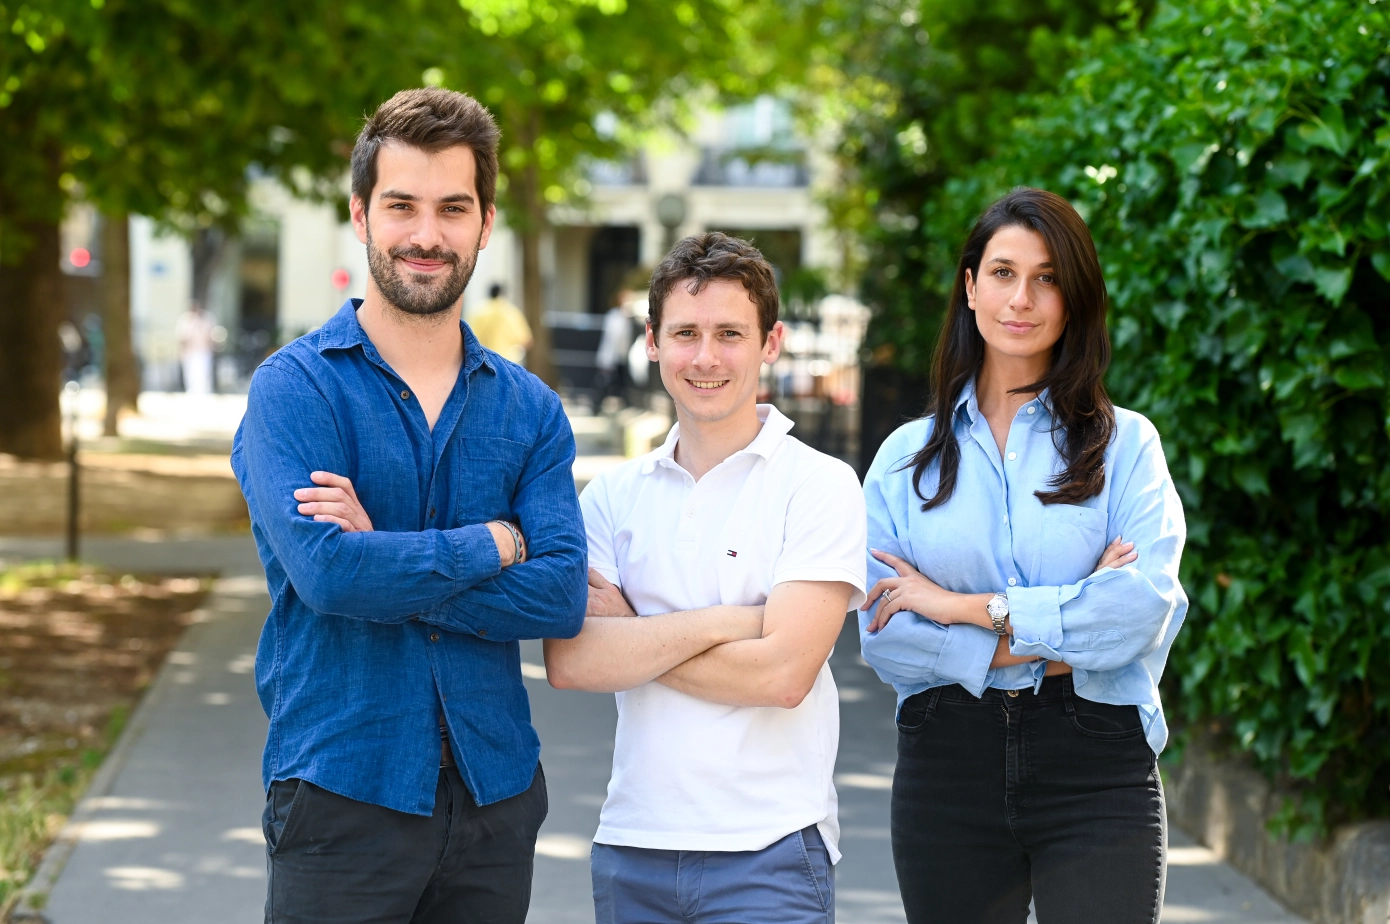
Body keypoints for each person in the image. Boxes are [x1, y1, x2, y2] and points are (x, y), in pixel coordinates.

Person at [231, 88, 588, 924]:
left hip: (497, 797)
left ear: (485, 223)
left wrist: (382, 551)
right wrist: (496, 542)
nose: (426, 236)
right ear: (360, 215)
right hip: (341, 791)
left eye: (452, 208)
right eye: (402, 206)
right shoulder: (295, 389)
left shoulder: (530, 410)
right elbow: (328, 577)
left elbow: (562, 593)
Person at [859, 187, 1187, 923]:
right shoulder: (903, 460)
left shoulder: (1127, 446)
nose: (1023, 298)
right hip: (948, 763)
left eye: (1047, 278)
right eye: (1004, 273)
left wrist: (954, 609)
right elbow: (886, 640)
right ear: (970, 287)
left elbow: (1138, 614)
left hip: (1097, 763)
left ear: (1074, 299)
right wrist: (1062, 629)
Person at [545, 232, 867, 924]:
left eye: (730, 333)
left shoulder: (818, 485)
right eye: (685, 333)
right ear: (653, 342)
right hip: (633, 844)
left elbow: (781, 676)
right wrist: (733, 623)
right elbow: (572, 660)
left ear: (769, 343)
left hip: (771, 852)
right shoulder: (609, 498)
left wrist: (634, 635)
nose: (706, 357)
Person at [465, 282, 532, 363]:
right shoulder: (511, 312)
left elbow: (469, 338)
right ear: (503, 294)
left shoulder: (478, 312)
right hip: (507, 362)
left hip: (483, 362)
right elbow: (526, 340)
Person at [176, 301, 216, 393]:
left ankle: (204, 392)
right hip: (189, 352)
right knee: (190, 374)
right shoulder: (185, 319)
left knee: (203, 374)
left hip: (203, 351)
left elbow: (211, 335)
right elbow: (182, 337)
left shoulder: (206, 318)